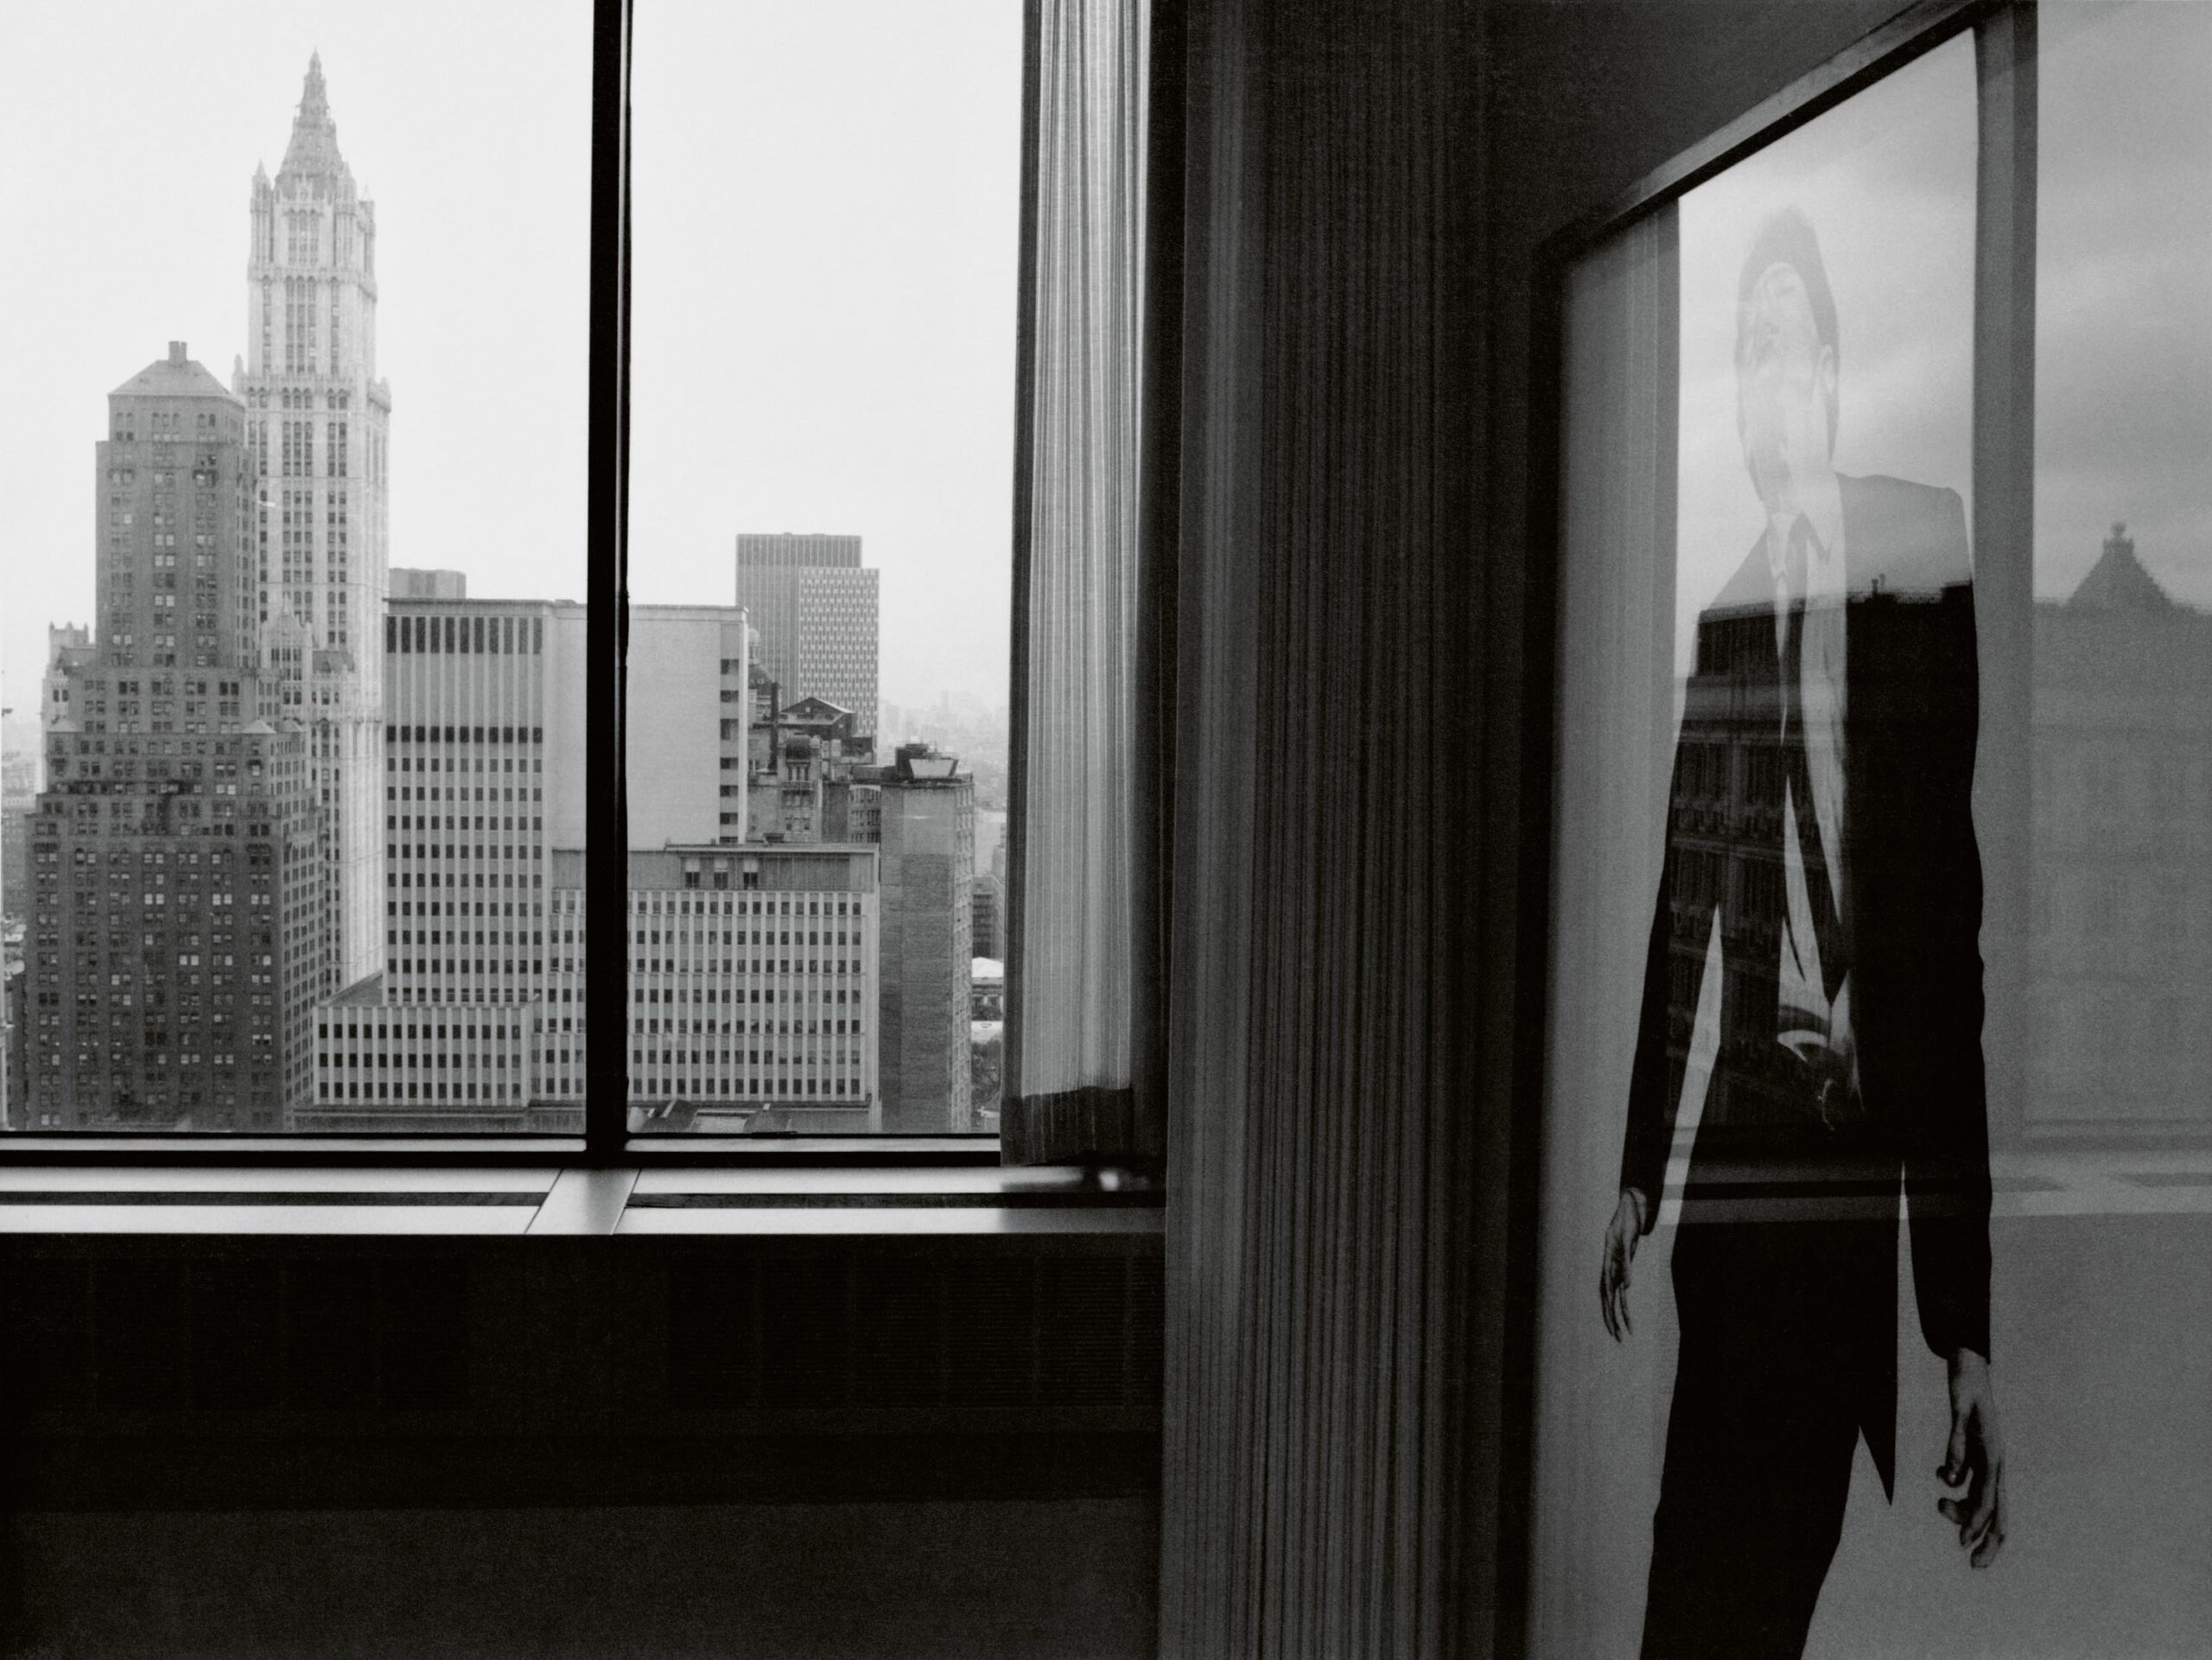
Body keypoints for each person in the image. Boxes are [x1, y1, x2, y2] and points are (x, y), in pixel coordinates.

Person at [1597, 207, 2005, 1658]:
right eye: (1742, 347)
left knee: (1769, 1592)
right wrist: (1638, 1172)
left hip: (1844, 1175)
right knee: (1691, 1593)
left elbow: (1943, 949)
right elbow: (1681, 913)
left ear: (1828, 371)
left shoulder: (1919, 548)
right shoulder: (1725, 621)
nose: (1760, 374)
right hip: (1741, 1165)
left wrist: (1961, 1326)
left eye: (1782, 336)